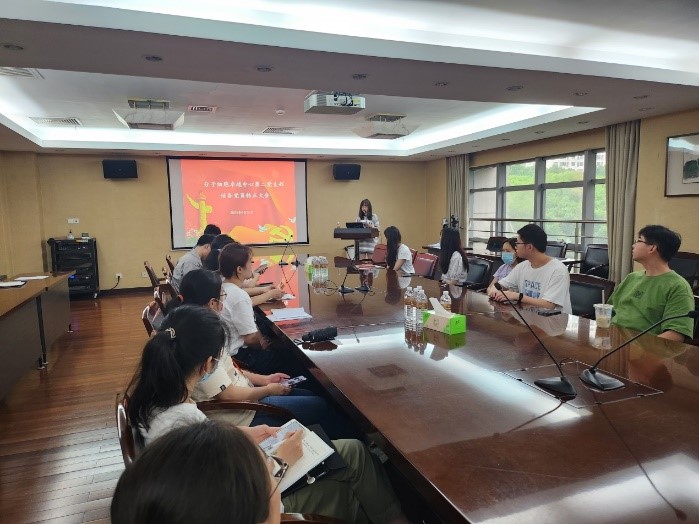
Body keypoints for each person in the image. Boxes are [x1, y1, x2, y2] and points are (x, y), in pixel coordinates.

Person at [124, 305, 408, 524]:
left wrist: (242, 434)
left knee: (354, 451)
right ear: (208, 364)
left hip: (240, 475)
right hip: (256, 500)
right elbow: (236, 499)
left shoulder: (157, 403)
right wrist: (281, 460)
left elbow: (202, 448)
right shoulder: (182, 421)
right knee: (350, 475)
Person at [165, 269, 360, 439]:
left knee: (310, 394)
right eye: (222, 296)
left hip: (247, 397)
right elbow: (228, 395)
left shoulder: (194, 326)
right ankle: (351, 447)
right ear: (213, 303)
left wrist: (265, 380)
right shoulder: (200, 341)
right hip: (244, 413)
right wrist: (267, 390)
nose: (224, 301)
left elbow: (229, 370)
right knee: (318, 405)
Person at [219, 242, 300, 375]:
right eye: (250, 262)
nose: (252, 266)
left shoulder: (223, 286)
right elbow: (251, 338)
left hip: (229, 352)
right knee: (294, 357)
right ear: (239, 269)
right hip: (242, 356)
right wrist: (262, 346)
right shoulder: (238, 296)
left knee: (278, 344)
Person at [607, 225, 694, 342]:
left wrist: (636, 347)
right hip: (612, 340)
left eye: (638, 240)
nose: (633, 245)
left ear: (652, 248)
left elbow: (675, 334)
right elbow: (609, 311)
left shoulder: (678, 286)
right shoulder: (632, 278)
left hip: (643, 349)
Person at [488, 224, 571, 313]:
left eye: (517, 243)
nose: (516, 247)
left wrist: (517, 296)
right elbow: (499, 285)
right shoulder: (522, 267)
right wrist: (495, 292)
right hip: (529, 318)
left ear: (529, 247)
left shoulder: (558, 270)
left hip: (554, 320)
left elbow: (549, 305)